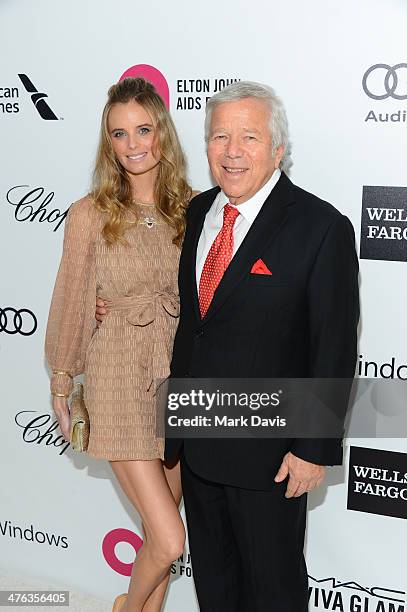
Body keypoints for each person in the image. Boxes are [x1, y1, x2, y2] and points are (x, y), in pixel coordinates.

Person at [164, 81, 360, 611]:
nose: (231, 151)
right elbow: (197, 325)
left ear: (277, 148)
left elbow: (334, 346)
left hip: (271, 456)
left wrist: (313, 448)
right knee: (215, 587)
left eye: (248, 137)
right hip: (199, 442)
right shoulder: (198, 212)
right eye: (219, 136)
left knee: (273, 592)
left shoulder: (322, 228)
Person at [45, 77, 192, 612]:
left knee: (162, 537)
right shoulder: (89, 215)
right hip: (117, 378)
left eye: (143, 129)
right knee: (172, 539)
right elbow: (72, 300)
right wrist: (63, 382)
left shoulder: (193, 211)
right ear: (108, 142)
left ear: (162, 135)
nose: (132, 144)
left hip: (177, 383)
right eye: (119, 134)